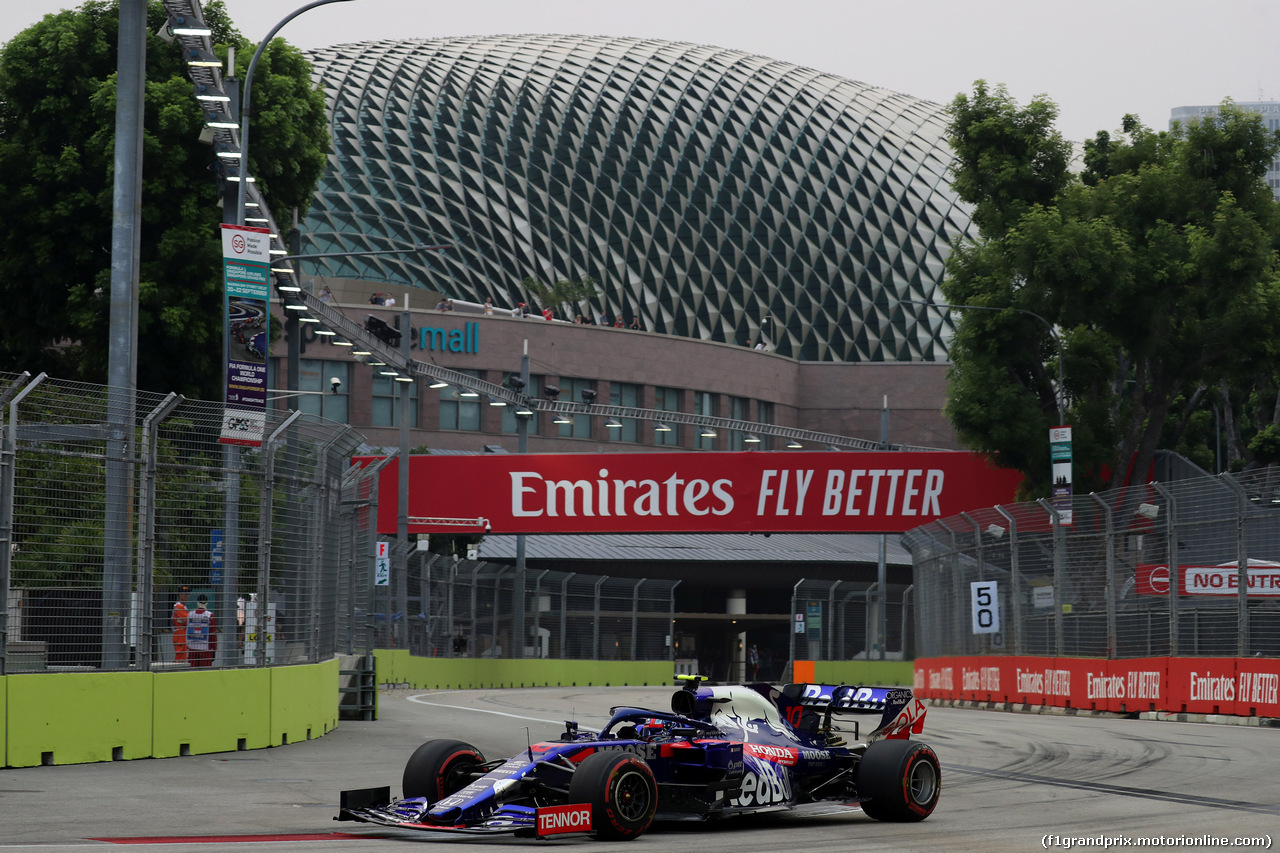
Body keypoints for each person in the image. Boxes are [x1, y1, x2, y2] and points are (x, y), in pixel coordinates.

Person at [187, 594, 217, 668]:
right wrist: (214, 649)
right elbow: (213, 633)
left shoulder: (190, 615)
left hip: (192, 648)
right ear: (206, 603)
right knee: (204, 672)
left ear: (197, 602)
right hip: (205, 649)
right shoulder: (210, 615)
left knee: (192, 671)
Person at [171, 587, 189, 663]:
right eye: (185, 594)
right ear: (180, 595)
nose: (187, 596)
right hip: (180, 633)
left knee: (183, 655)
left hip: (183, 633)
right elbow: (186, 620)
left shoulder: (183, 606)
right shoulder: (179, 606)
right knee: (180, 655)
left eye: (188, 594)